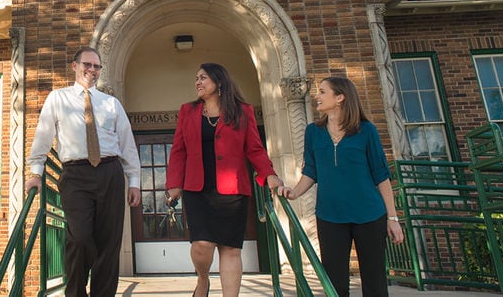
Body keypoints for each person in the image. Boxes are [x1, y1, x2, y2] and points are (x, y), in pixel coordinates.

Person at [26, 46, 142, 297]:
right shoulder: (58, 98)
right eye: (87, 64)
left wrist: (134, 181)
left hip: (110, 172)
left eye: (97, 66)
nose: (92, 70)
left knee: (109, 244)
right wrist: (35, 173)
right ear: (75, 66)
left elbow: (127, 144)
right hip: (75, 174)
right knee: (79, 238)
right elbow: (43, 137)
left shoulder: (111, 103)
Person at [275, 76, 405, 297]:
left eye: (323, 92)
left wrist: (392, 219)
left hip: (370, 216)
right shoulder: (313, 132)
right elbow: (311, 171)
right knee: (334, 285)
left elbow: (381, 176)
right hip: (330, 216)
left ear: (340, 97)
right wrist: (294, 192)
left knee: (375, 284)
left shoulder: (366, 131)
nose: (316, 96)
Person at [166, 62, 283, 297]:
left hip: (232, 191)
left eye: (203, 78)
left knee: (230, 249)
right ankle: (203, 280)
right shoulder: (187, 111)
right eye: (196, 78)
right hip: (197, 189)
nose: (197, 82)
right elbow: (179, 150)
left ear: (219, 82)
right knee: (202, 245)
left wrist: (270, 175)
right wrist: (174, 185)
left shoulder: (243, 111)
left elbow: (255, 149)